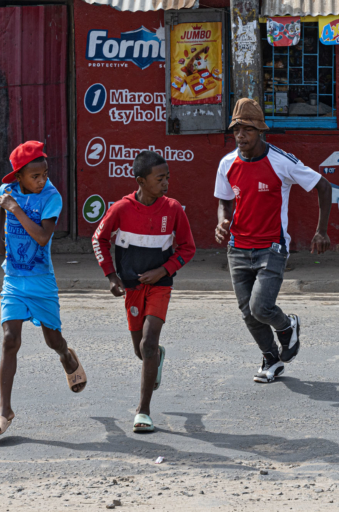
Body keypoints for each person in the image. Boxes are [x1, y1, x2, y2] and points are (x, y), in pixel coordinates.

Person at [214, 98, 332, 383]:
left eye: (247, 129)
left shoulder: (281, 161)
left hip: (272, 247)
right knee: (248, 313)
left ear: (260, 131)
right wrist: (222, 221)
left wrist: (321, 230)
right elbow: (224, 201)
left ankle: (287, 326)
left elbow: (323, 185)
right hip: (237, 248)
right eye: (236, 130)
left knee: (260, 307)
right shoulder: (227, 163)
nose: (241, 135)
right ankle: (271, 359)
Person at [0, 141, 87, 436]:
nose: (42, 180)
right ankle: (4, 410)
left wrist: (15, 209)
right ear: (19, 176)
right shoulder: (8, 191)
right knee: (9, 340)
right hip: (14, 279)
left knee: (52, 340)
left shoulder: (51, 197)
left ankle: (66, 356)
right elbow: (1, 206)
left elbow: (42, 237)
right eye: (35, 176)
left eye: (45, 174)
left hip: (41, 281)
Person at [92, 151, 196, 432]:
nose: (166, 183)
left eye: (167, 177)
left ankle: (143, 411)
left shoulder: (173, 209)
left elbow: (188, 248)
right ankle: (155, 358)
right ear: (140, 181)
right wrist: (111, 276)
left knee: (149, 343)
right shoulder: (121, 209)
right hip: (132, 288)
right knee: (142, 350)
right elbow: (98, 239)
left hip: (160, 286)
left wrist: (163, 270)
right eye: (160, 179)